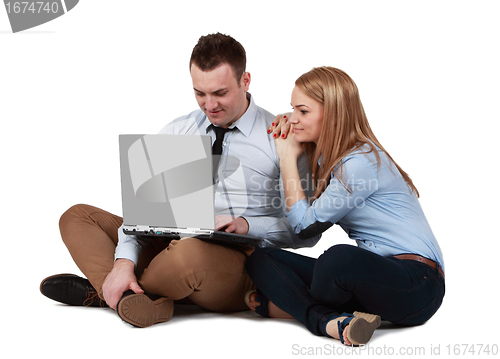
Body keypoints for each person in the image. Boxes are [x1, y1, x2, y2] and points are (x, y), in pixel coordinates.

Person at [40, 33, 320, 328]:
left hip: (237, 262)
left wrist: (247, 225)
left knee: (188, 256)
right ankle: (126, 294)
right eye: (200, 93)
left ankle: (109, 292)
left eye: (220, 93)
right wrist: (124, 261)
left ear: (245, 80)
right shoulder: (180, 129)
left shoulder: (283, 137)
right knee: (78, 217)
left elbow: (307, 232)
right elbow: (144, 213)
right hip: (167, 244)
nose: (209, 105)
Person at [245, 66, 445, 346]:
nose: (293, 118)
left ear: (334, 113)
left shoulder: (360, 162)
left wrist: (287, 157)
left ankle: (298, 309)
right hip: (372, 280)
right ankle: (332, 322)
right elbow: (300, 213)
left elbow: (305, 226)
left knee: (337, 260)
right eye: (293, 109)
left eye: (303, 111)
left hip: (418, 284)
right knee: (262, 258)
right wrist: (290, 131)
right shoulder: (328, 160)